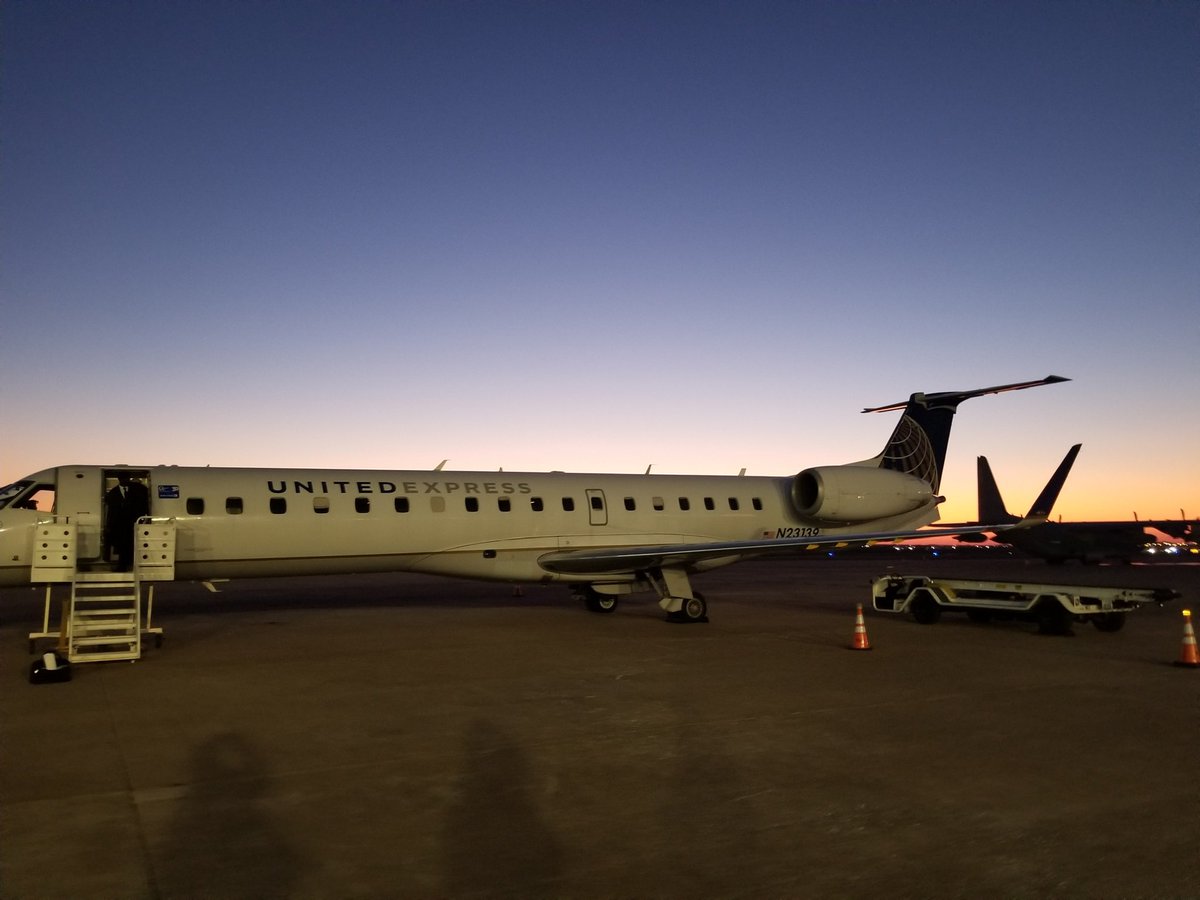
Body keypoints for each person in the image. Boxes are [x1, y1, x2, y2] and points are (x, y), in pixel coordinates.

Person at [105, 473, 150, 571]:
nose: (126, 481)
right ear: (119, 479)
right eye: (124, 479)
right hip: (119, 525)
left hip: (135, 522)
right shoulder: (113, 493)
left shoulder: (139, 490)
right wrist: (109, 525)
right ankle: (123, 566)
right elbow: (111, 511)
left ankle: (129, 565)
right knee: (122, 545)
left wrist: (146, 518)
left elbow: (145, 505)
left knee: (133, 544)